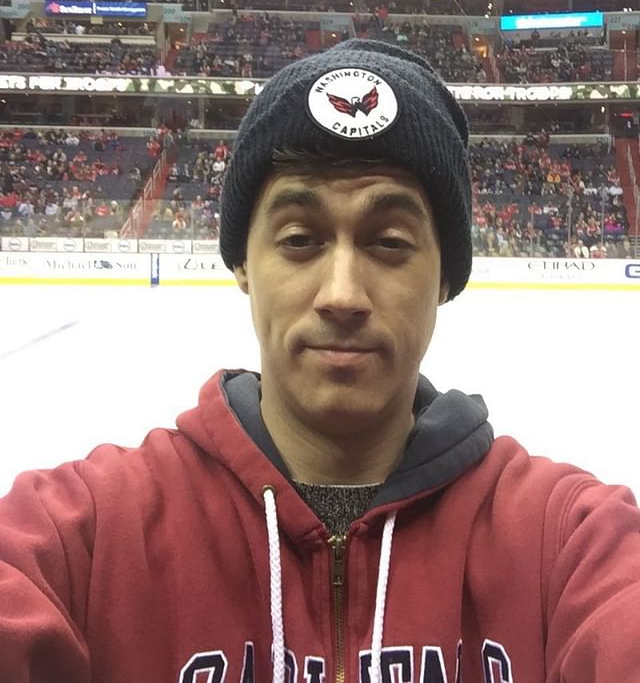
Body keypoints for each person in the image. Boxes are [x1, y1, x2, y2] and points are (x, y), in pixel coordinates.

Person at [1, 39, 639, 683]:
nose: (342, 295)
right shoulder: (84, 532)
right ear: (243, 265)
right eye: (300, 240)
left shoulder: (569, 542)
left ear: (446, 275)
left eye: (389, 242)